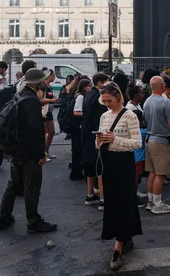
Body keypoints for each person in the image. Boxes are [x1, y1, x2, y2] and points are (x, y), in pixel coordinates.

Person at [0, 68, 57, 233]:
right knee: (32, 186)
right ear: (38, 82)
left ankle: (4, 218)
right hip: (28, 151)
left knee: (14, 184)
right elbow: (35, 131)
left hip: (16, 148)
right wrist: (41, 154)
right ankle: (33, 221)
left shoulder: (19, 95)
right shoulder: (31, 101)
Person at [95, 82, 143, 271]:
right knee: (112, 201)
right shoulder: (104, 116)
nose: (106, 104)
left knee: (123, 201)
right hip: (108, 161)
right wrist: (99, 140)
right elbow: (97, 144)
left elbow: (137, 143)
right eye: (104, 100)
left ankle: (119, 245)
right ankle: (125, 237)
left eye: (109, 100)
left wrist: (115, 139)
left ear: (118, 97)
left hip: (124, 163)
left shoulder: (130, 116)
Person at [143, 76, 170, 215]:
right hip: (162, 140)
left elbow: (145, 119)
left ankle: (151, 201)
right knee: (160, 174)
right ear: (161, 85)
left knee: (152, 172)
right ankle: (157, 203)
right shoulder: (165, 102)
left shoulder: (147, 101)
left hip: (149, 138)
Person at [81, 73, 110, 210]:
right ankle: (103, 199)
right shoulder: (98, 98)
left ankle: (90, 194)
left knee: (90, 167)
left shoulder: (88, 95)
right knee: (100, 167)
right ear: (100, 82)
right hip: (97, 134)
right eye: (106, 82)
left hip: (87, 134)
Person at [69, 78, 91, 181]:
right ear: (84, 87)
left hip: (76, 126)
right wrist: (87, 115)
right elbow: (76, 112)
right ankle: (76, 171)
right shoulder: (81, 97)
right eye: (89, 86)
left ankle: (76, 170)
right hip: (77, 127)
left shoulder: (79, 95)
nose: (90, 88)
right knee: (77, 149)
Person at [40, 69, 58, 160]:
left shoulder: (49, 87)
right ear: (48, 76)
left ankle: (46, 151)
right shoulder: (43, 86)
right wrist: (52, 100)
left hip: (49, 112)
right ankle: (42, 153)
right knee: (46, 132)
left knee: (51, 132)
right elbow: (40, 100)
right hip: (44, 112)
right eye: (53, 75)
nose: (54, 77)